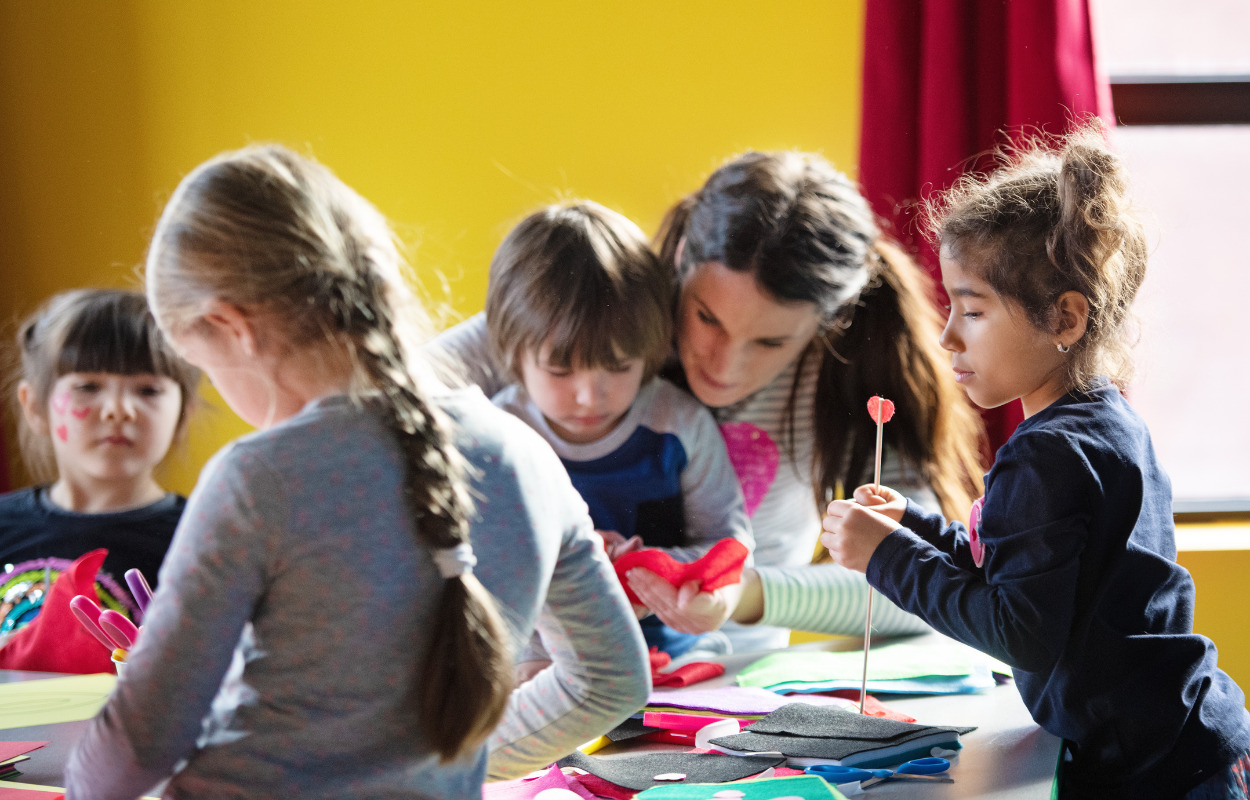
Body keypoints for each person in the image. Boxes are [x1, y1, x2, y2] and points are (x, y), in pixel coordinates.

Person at [64, 145, 649, 799]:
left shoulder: (256, 479)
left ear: (233, 326)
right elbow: (613, 681)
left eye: (203, 364)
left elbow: (140, 742)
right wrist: (443, 761)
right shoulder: (527, 456)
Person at [821, 124, 1250, 798]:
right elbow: (1026, 575)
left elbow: (1019, 630)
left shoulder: (1046, 454)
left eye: (974, 309)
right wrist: (915, 526)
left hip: (1162, 771)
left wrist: (887, 558)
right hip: (1182, 741)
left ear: (1065, 320)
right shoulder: (1102, 421)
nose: (947, 335)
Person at [432, 150, 985, 652]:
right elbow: (397, 394)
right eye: (706, 319)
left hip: (734, 686)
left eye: (771, 342)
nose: (724, 367)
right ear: (678, 260)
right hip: (552, 669)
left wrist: (745, 592)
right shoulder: (607, 326)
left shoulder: (844, 375)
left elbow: (929, 586)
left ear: (827, 325)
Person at [484, 200, 751, 659]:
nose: (590, 396)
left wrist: (649, 569)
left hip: (674, 656)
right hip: (539, 659)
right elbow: (483, 563)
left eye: (617, 367)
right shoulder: (500, 433)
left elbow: (727, 546)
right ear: (513, 354)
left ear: (650, 351)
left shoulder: (678, 424)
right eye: (560, 370)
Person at [0, 288, 201, 639]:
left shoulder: (201, 537)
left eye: (148, 390)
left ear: (184, 413)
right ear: (34, 406)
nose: (118, 409)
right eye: (89, 386)